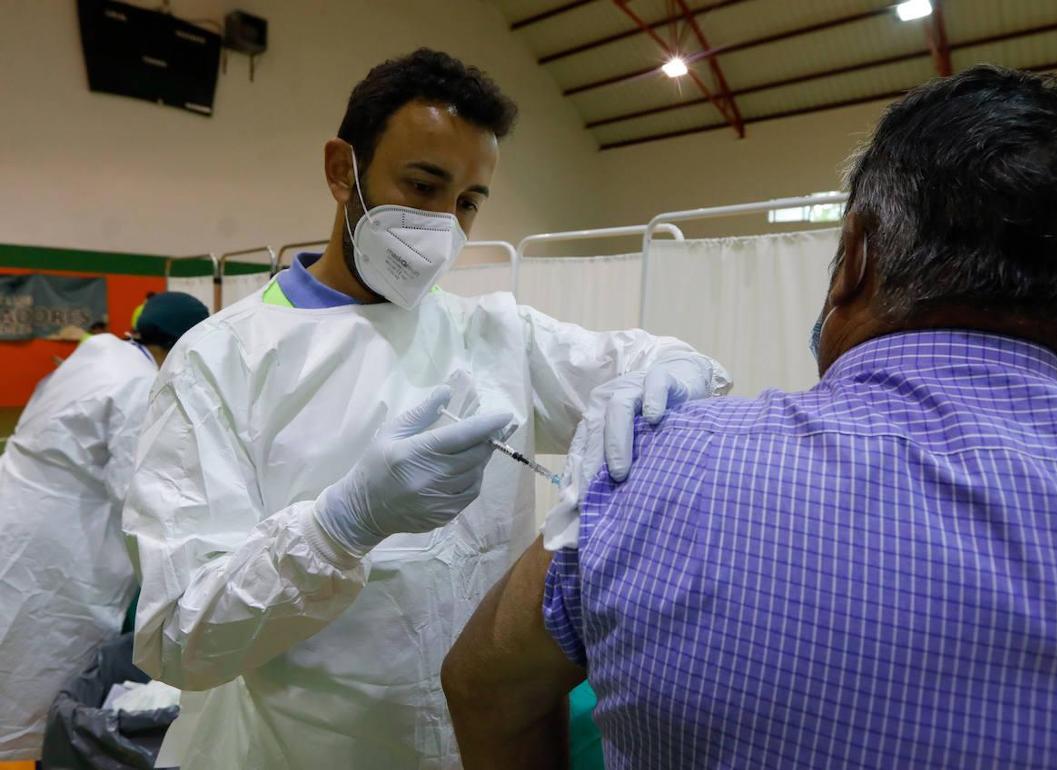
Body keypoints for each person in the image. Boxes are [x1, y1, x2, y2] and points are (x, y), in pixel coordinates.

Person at [442, 66, 1057, 769]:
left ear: (854, 257)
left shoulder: (660, 464)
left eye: (469, 199)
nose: (447, 220)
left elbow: (482, 684)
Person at [122, 49, 729, 769]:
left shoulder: (493, 333)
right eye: (422, 185)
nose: (444, 223)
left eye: (468, 201)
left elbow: (642, 363)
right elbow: (175, 638)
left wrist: (676, 370)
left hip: (478, 745)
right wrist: (341, 525)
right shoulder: (222, 361)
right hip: (296, 750)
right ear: (340, 170)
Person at [0, 292, 209, 760]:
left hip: (19, 508)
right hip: (57, 542)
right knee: (43, 670)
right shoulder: (139, 385)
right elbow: (137, 493)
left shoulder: (101, 352)